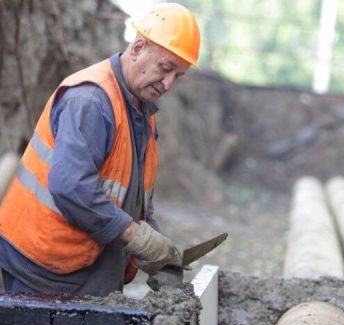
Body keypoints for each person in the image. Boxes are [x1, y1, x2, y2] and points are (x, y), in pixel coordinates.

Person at [0, 2, 201, 296]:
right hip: (44, 263)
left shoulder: (142, 111)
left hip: (82, 262)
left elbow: (135, 196)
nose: (168, 83)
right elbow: (72, 188)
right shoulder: (91, 102)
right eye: (166, 68)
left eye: (178, 76)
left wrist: (158, 254)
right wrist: (135, 236)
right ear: (138, 48)